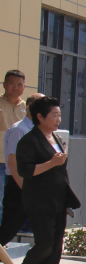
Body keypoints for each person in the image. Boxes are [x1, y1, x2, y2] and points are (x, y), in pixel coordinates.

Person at [10, 97, 81, 264]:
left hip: (58, 200)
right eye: (54, 115)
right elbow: (25, 170)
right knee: (45, 245)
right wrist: (51, 163)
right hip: (39, 202)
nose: (58, 119)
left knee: (56, 247)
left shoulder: (55, 137)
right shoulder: (29, 141)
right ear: (40, 117)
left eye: (59, 115)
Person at [0, 93, 43, 248]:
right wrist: (26, 189)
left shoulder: (38, 130)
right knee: (8, 229)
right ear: (30, 108)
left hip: (33, 184)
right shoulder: (20, 130)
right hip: (18, 184)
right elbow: (13, 163)